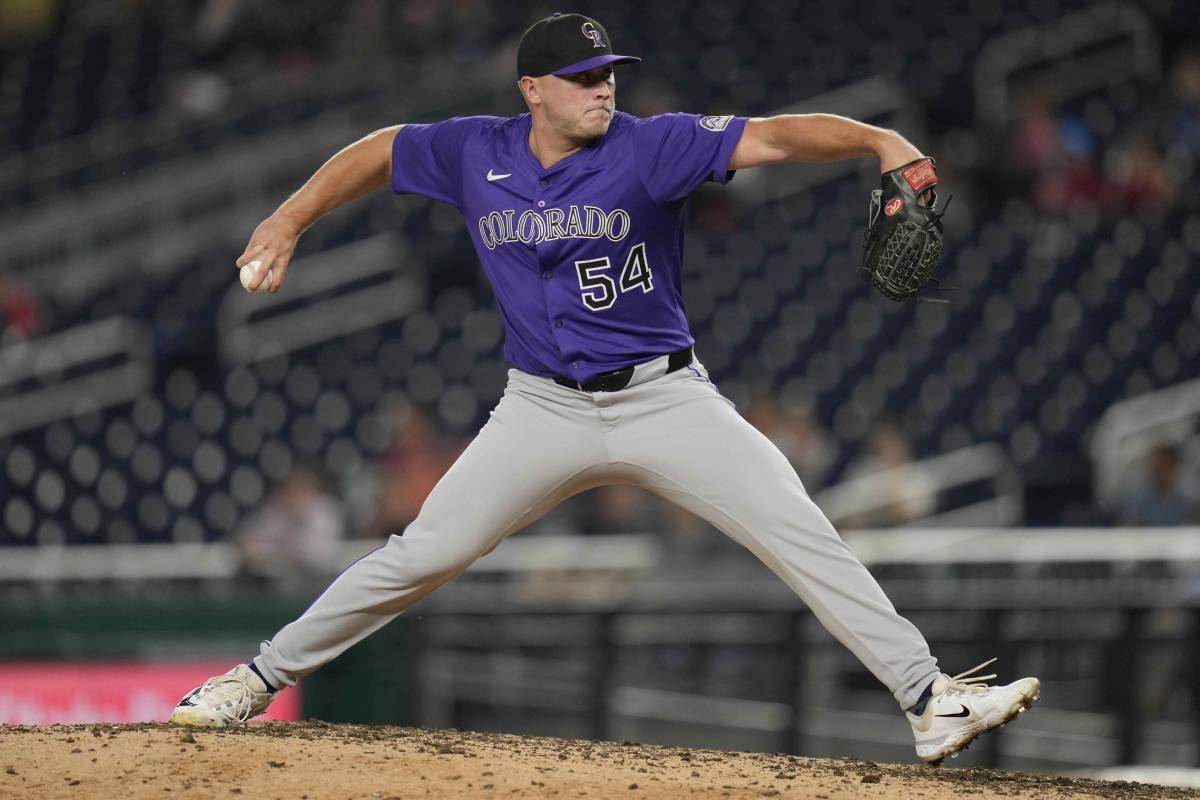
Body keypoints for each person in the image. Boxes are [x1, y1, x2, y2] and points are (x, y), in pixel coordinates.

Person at [170, 12, 1039, 765]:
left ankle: (931, 701)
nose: (602, 88)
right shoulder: (478, 151)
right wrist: (287, 219)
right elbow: (382, 150)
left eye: (608, 73)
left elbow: (772, 135)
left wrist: (877, 141)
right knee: (423, 553)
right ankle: (254, 680)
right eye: (582, 78)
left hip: (665, 400)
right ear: (532, 89)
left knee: (799, 526)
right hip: (541, 407)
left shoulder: (652, 146)